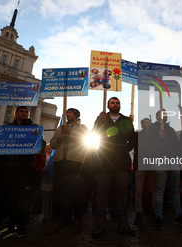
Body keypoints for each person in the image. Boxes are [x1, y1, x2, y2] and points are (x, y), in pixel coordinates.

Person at [0, 106, 45, 240]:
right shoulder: (6, 128)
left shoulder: (34, 128)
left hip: (23, 168)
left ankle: (20, 228)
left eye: (27, 112)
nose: (24, 114)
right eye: (22, 111)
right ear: (16, 113)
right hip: (4, 168)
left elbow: (40, 142)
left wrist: (40, 147)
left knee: (21, 201)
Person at [91, 97, 136, 238]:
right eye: (112, 103)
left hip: (121, 162)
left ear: (120, 106)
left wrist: (123, 149)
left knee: (123, 192)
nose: (115, 105)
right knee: (102, 192)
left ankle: (123, 224)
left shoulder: (126, 120)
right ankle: (101, 225)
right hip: (104, 161)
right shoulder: (102, 119)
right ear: (108, 105)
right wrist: (100, 120)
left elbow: (132, 139)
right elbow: (94, 134)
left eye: (117, 103)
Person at [48, 108, 89, 234]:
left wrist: (70, 134)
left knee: (76, 191)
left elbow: (84, 141)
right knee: (58, 192)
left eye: (70, 112)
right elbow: (53, 143)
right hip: (60, 162)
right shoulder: (60, 128)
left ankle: (77, 220)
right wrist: (60, 138)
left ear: (76, 115)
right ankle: (57, 219)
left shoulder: (83, 128)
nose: (68, 114)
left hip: (75, 162)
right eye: (66, 112)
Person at [147, 109, 182, 230]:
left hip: (173, 161)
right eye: (162, 114)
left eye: (166, 114)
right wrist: (158, 136)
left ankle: (178, 215)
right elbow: (149, 144)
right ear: (157, 116)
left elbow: (176, 145)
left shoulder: (170, 129)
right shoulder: (152, 129)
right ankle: (158, 216)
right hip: (160, 161)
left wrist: (180, 158)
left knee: (175, 190)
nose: (165, 116)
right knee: (160, 189)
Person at [134, 118, 155, 225]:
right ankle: (139, 214)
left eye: (149, 123)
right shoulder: (137, 135)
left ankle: (155, 213)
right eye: (146, 123)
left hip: (151, 164)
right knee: (139, 191)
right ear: (142, 125)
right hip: (140, 165)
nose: (148, 125)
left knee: (153, 190)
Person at [41, 144, 53, 221]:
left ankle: (52, 212)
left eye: (50, 147)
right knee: (46, 197)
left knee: (52, 197)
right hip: (45, 178)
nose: (48, 149)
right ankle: (46, 212)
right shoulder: (43, 156)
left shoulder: (53, 156)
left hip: (52, 178)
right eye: (47, 147)